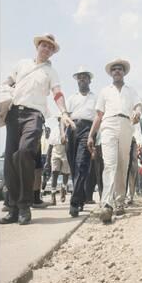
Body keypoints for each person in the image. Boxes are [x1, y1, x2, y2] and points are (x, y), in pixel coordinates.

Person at [0, 34, 75, 225]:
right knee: (9, 160)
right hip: (14, 114)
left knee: (24, 152)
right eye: (44, 45)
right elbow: (7, 82)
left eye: (50, 47)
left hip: (35, 115)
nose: (46, 49)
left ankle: (25, 205)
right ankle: (14, 209)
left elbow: (57, 93)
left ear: (52, 52)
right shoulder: (22, 64)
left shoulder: (51, 72)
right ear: (37, 46)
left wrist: (64, 112)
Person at [88, 58, 141, 223]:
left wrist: (138, 112)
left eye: (120, 69)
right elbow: (99, 115)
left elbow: (138, 106)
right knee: (110, 164)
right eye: (114, 69)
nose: (117, 71)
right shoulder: (105, 91)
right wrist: (91, 134)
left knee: (123, 164)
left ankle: (119, 202)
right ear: (111, 73)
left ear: (124, 72)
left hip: (126, 124)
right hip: (108, 124)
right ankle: (107, 204)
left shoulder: (131, 91)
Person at [64, 66, 97, 217]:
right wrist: (62, 133)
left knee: (81, 164)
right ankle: (81, 196)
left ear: (89, 80)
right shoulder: (71, 98)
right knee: (73, 167)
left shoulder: (95, 98)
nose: (82, 79)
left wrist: (94, 135)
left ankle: (74, 203)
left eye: (84, 76)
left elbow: (98, 118)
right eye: (79, 77)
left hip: (87, 130)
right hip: (72, 129)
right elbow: (64, 117)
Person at [49, 117, 71, 206]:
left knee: (66, 173)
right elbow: (50, 146)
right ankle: (53, 195)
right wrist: (47, 159)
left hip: (65, 151)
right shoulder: (54, 130)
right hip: (56, 150)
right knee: (54, 172)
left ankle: (63, 188)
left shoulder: (69, 130)